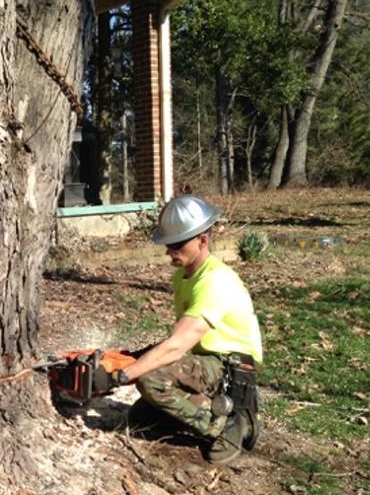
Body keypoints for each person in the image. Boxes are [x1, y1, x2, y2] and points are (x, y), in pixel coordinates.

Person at [98, 195, 263, 464]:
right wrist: (127, 357)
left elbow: (178, 345)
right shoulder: (183, 276)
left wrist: (123, 375)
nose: (170, 251)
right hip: (206, 359)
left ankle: (228, 426)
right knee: (141, 418)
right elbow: (179, 341)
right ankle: (209, 410)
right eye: (168, 244)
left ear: (202, 240)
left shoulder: (215, 280)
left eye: (177, 244)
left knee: (149, 379)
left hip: (231, 366)